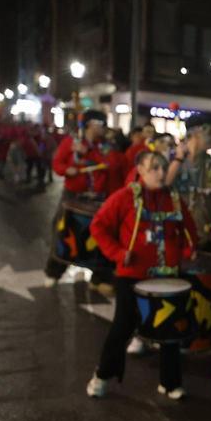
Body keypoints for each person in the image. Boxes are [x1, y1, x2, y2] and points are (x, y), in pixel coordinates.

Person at [85, 151, 197, 400]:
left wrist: (188, 249)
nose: (160, 173)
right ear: (140, 171)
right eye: (154, 168)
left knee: (170, 331)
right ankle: (102, 376)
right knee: (123, 327)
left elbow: (189, 231)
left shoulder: (174, 199)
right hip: (132, 277)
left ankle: (170, 383)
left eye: (163, 167)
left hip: (167, 277)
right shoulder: (125, 197)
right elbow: (98, 226)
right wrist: (117, 252)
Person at [44, 110, 124, 289]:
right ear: (90, 125)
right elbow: (57, 164)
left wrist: (93, 152)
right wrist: (68, 169)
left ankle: (100, 276)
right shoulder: (71, 143)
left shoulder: (104, 146)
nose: (103, 128)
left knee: (101, 235)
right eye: (100, 124)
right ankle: (54, 271)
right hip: (73, 196)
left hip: (98, 198)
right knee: (63, 231)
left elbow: (111, 164)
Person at [168, 119, 211, 252]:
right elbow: (162, 186)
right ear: (192, 135)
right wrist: (178, 159)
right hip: (177, 235)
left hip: (206, 237)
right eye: (209, 132)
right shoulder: (175, 164)